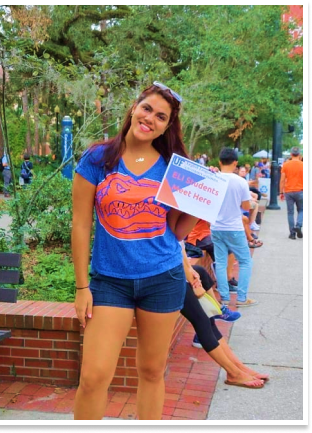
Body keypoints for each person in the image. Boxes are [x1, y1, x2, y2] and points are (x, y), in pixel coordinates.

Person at [72, 82, 199, 420]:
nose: (150, 119)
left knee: (152, 372)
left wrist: (200, 201)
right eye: (147, 109)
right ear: (134, 107)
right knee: (93, 377)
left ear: (167, 125)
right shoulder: (98, 158)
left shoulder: (174, 167)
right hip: (109, 282)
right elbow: (81, 224)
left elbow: (176, 232)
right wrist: (81, 287)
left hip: (163, 278)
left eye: (161, 116)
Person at [181, 249, 267, 388]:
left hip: (175, 271)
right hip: (164, 278)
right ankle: (233, 373)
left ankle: (238, 366)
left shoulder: (173, 229)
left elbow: (179, 250)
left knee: (201, 272)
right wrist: (191, 278)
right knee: (202, 321)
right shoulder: (168, 227)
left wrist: (191, 271)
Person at [210, 148, 256, 307]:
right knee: (245, 262)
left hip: (216, 227)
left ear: (219, 161)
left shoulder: (213, 179)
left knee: (220, 262)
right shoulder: (240, 182)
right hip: (234, 227)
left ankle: (224, 298)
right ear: (235, 163)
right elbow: (245, 206)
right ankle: (242, 298)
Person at [279, 146, 303, 239]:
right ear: (299, 155)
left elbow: (282, 180)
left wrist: (281, 192)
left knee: (290, 213)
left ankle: (292, 233)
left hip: (288, 191)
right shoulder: (303, 165)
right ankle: (299, 225)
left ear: (291, 154)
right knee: (302, 210)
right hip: (301, 191)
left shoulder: (286, 165)